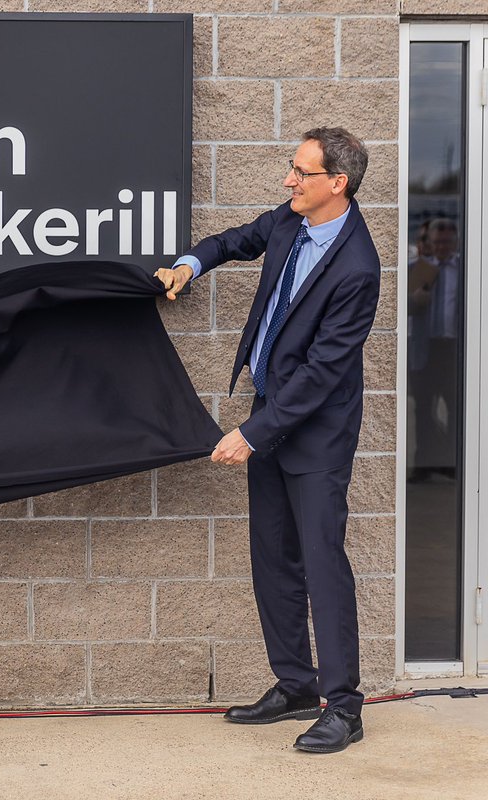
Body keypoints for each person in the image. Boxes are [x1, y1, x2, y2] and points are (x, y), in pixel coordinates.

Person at [156, 127, 380, 754]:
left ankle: (345, 707)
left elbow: (322, 374)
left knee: (321, 564)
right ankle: (297, 684)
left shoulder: (358, 269)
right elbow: (235, 241)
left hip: (313, 435)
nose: (289, 181)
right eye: (291, 169)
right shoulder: (288, 221)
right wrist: (189, 263)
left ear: (336, 183)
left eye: (300, 173)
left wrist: (252, 434)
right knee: (272, 558)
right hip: (270, 419)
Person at [407, 216, 461, 480]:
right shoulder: (418, 269)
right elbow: (401, 308)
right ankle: (423, 465)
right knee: (423, 407)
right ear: (429, 243)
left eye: (446, 242)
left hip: (456, 349)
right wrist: (414, 300)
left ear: (456, 242)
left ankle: (451, 464)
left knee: (455, 406)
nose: (441, 247)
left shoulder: (466, 268)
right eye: (437, 242)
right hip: (425, 348)